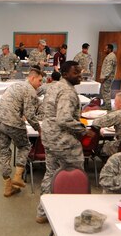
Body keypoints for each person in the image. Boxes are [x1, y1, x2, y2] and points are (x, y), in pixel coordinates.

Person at [36, 61, 95, 223]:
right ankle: (76, 213)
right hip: (64, 140)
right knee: (77, 176)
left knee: (51, 173)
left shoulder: (54, 86)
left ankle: (42, 212)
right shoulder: (68, 92)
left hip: (49, 137)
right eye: (75, 73)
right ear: (65, 74)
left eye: (80, 71)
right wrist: (83, 129)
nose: (80, 75)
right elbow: (64, 119)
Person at [0, 67, 43, 197]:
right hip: (12, 122)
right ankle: (18, 177)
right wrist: (39, 129)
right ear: (32, 78)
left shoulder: (15, 85)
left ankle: (8, 186)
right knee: (24, 146)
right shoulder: (30, 89)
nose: (40, 83)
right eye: (40, 80)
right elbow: (30, 115)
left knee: (4, 152)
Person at [99, 43, 117, 110]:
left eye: (105, 49)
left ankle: (108, 106)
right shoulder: (110, 56)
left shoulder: (111, 57)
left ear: (109, 49)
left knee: (106, 91)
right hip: (108, 77)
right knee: (104, 91)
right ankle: (105, 104)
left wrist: (104, 77)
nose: (104, 50)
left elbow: (108, 69)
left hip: (108, 78)